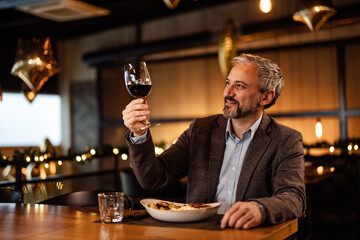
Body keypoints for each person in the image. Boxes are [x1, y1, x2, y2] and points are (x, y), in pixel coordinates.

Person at [122, 53, 306, 229]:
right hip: (199, 234)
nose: (227, 92)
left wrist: (261, 209)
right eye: (228, 83)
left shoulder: (286, 139)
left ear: (266, 97)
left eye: (239, 86)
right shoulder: (200, 130)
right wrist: (139, 133)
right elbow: (152, 178)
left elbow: (294, 198)